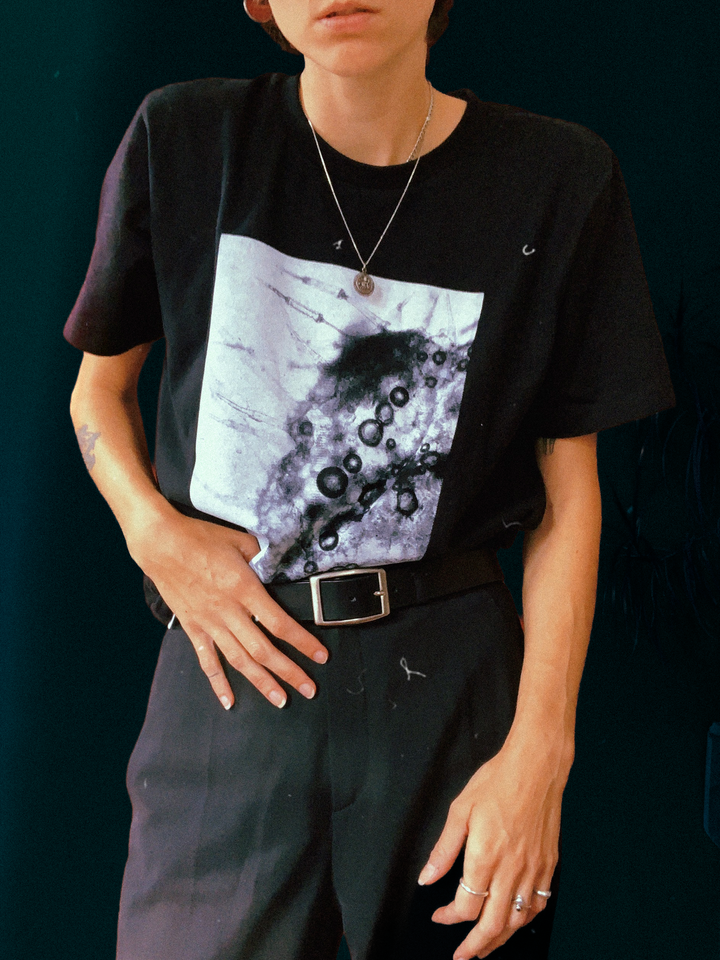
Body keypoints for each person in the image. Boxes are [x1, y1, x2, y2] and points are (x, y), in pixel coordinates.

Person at [64, 1, 675, 958]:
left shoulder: (557, 177)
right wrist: (155, 535)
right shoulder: (187, 138)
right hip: (233, 674)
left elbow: (568, 494)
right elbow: (97, 394)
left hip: (453, 695)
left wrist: (539, 756)